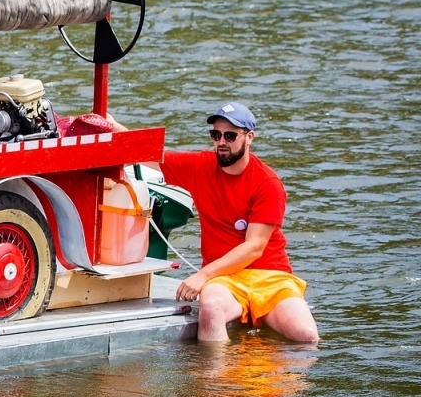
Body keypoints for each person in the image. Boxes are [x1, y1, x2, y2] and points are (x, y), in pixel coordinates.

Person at [120, 103, 318, 345]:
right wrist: (109, 124)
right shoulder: (202, 166)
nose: (222, 142)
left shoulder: (268, 183)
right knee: (211, 307)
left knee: (306, 337)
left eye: (231, 135)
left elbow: (255, 246)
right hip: (225, 278)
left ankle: (266, 370)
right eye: (216, 135)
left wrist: (202, 275)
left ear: (249, 137)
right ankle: (216, 380)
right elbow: (150, 153)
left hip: (270, 276)